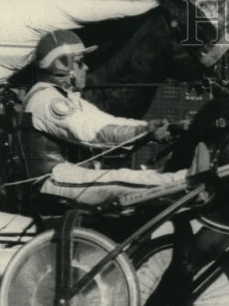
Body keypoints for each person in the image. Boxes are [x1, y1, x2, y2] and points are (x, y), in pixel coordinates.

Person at [22, 29, 210, 206]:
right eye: (80, 62)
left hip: (67, 174)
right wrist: (143, 132)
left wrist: (153, 128)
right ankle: (186, 182)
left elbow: (107, 121)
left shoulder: (65, 97)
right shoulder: (47, 100)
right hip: (53, 180)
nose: (86, 67)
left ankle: (183, 182)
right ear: (61, 65)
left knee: (129, 176)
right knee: (123, 180)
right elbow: (92, 132)